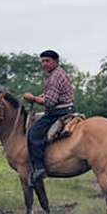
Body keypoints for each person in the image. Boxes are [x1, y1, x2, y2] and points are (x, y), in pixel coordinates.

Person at [22, 49, 75, 184]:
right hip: (67, 107)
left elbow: (50, 102)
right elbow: (53, 95)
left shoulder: (54, 78)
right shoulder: (59, 73)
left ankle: (39, 168)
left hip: (58, 111)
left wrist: (32, 98)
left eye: (47, 61)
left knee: (33, 134)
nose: (44, 64)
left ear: (55, 62)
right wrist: (41, 96)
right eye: (42, 61)